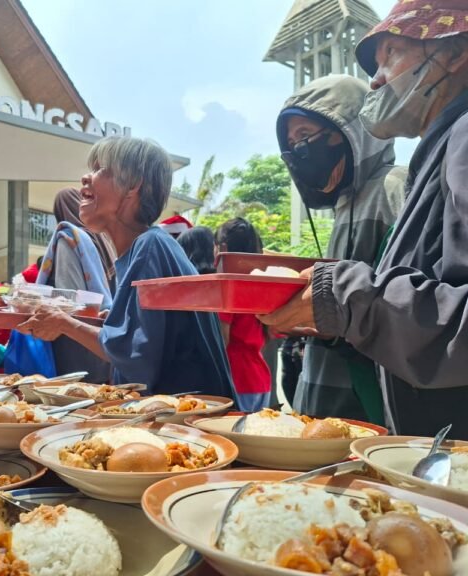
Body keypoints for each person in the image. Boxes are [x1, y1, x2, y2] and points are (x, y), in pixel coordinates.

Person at [260, 0, 468, 438]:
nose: (375, 79)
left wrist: (342, 297)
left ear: (452, 53)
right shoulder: (437, 154)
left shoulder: (454, 145)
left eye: (391, 53)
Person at [15, 136, 234, 397]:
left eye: (100, 169)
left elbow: (135, 356)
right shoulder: (147, 247)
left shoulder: (149, 246)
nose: (86, 178)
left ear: (133, 186)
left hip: (187, 420)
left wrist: (64, 324)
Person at [275, 74, 406, 424]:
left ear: (350, 133)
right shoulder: (345, 204)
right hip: (321, 400)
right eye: (291, 142)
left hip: (368, 409)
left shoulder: (394, 188)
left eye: (305, 135)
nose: (297, 150)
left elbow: (408, 304)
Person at [179, 221, 271, 412]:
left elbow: (222, 340)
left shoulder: (229, 288)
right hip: (260, 379)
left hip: (237, 379)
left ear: (222, 248)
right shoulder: (259, 285)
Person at [34, 187, 115, 382]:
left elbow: (67, 297)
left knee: (78, 400)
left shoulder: (68, 239)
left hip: (75, 342)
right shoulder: (104, 240)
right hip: (102, 338)